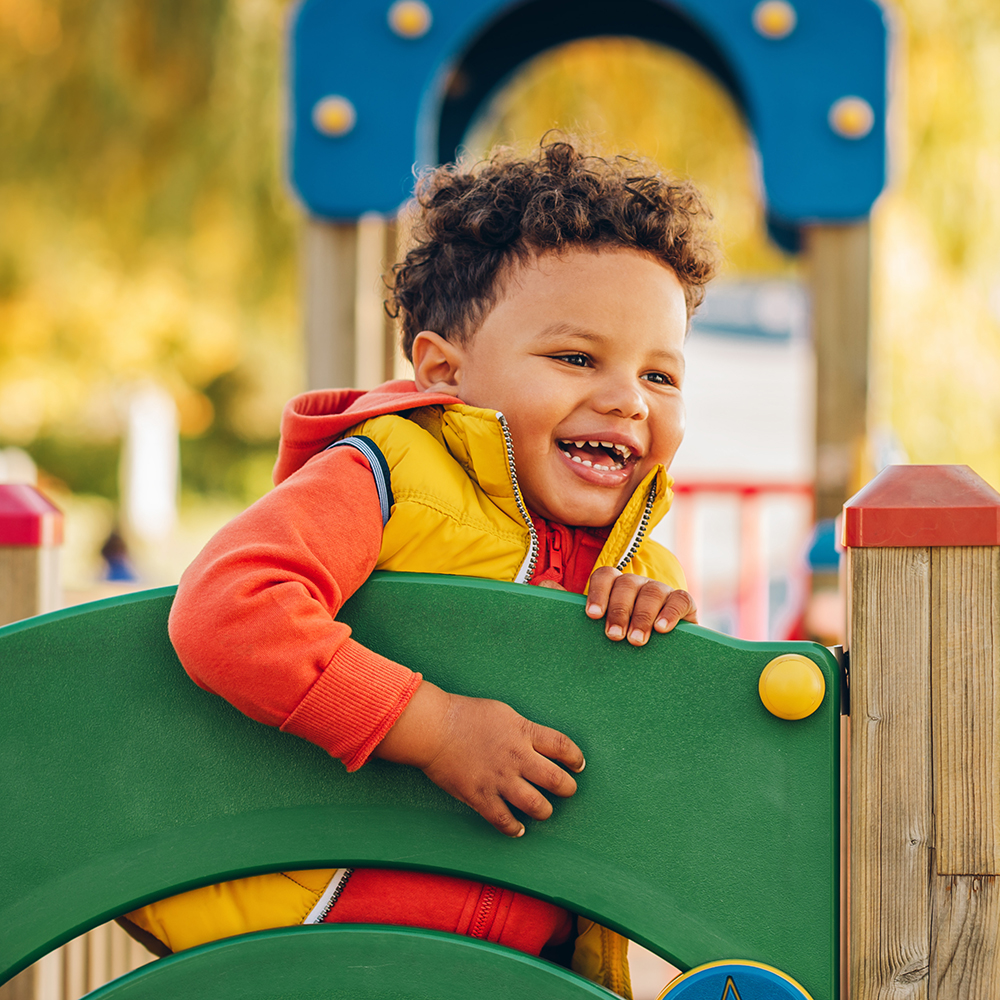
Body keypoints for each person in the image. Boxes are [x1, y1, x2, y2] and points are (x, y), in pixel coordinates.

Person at [123, 138, 718, 997]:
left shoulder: (642, 562)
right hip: (317, 938)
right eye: (577, 358)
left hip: (519, 969)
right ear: (445, 369)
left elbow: (667, 780)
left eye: (660, 375)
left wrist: (671, 660)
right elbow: (229, 605)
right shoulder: (390, 473)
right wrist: (435, 728)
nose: (629, 398)